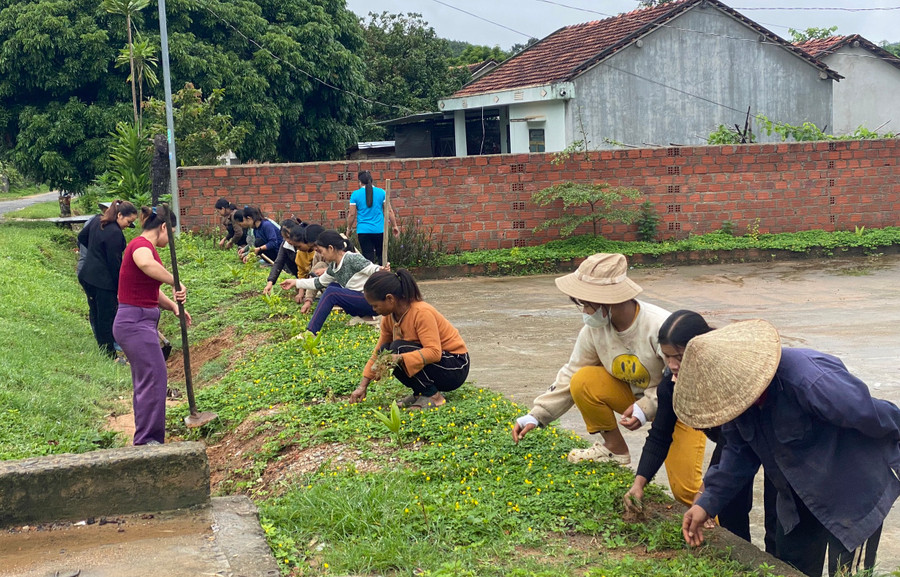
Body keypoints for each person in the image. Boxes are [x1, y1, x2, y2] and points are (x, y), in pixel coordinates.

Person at [676, 320, 900, 577]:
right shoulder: (736, 403)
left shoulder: (811, 381)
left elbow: (873, 415)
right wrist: (707, 503)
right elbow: (737, 455)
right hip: (797, 499)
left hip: (851, 494)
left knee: (848, 573)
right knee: (789, 568)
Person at [511, 253, 707, 506]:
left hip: (679, 407)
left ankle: (714, 524)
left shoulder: (659, 327)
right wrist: (537, 415)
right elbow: (572, 372)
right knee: (583, 380)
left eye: (587, 304)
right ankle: (614, 449)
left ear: (609, 301)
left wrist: (646, 408)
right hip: (634, 399)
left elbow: (680, 382)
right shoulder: (594, 330)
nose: (584, 311)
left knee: (687, 491)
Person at [624, 310, 775, 549]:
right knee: (729, 505)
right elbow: (660, 435)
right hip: (736, 446)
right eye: (666, 356)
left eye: (679, 357)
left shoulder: (727, 378)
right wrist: (639, 483)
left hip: (773, 438)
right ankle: (739, 559)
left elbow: (730, 440)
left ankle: (775, 562)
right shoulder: (671, 385)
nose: (672, 365)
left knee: (780, 520)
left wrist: (705, 491)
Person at [113, 204, 191, 445]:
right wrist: (174, 280)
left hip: (139, 322)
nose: (171, 240)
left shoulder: (147, 248)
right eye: (172, 234)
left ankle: (146, 437)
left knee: (147, 380)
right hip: (134, 323)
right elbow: (146, 264)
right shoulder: (141, 246)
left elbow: (149, 289)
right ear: (164, 227)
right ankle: (148, 440)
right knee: (155, 378)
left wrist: (173, 306)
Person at [350, 269, 470, 410]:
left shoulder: (421, 312)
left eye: (375, 305)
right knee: (386, 351)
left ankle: (434, 396)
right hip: (437, 366)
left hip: (455, 367)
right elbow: (378, 352)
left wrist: (400, 358)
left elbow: (434, 352)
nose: (373, 309)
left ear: (390, 299)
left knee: (397, 349)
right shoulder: (389, 318)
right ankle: (420, 393)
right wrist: (362, 386)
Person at [281, 230, 383, 336]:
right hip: (360, 301)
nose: (321, 255)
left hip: (373, 302)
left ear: (330, 248)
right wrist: (295, 282)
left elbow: (372, 268)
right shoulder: (333, 267)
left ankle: (311, 332)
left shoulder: (352, 258)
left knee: (332, 293)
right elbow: (318, 282)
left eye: (321, 251)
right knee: (333, 286)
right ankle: (365, 317)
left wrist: (381, 269)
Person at [77, 200, 138, 358]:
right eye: (128, 222)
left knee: (96, 313)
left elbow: (81, 237)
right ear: (119, 215)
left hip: (87, 275)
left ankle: (104, 350)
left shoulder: (97, 220)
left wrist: (95, 252)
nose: (127, 226)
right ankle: (110, 355)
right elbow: (114, 264)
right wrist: (120, 288)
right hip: (103, 282)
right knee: (106, 317)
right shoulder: (115, 233)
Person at [346, 170, 399, 265]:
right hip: (379, 230)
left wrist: (349, 229)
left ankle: (371, 274)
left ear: (360, 182)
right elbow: (389, 211)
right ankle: (383, 273)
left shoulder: (355, 194)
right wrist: (394, 226)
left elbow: (352, 214)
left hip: (363, 231)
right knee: (382, 256)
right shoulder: (381, 192)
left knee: (368, 258)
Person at [263, 219, 301, 296]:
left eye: (289, 237)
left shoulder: (305, 245)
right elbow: (279, 262)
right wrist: (270, 282)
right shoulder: (285, 245)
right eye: (285, 238)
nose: (288, 241)